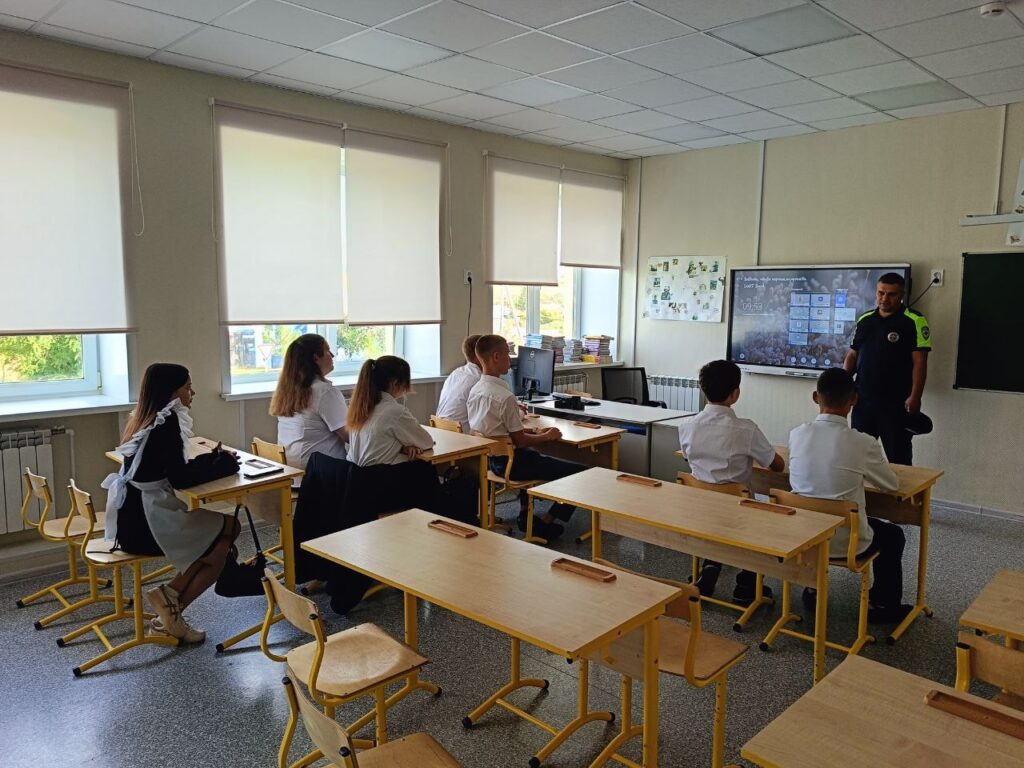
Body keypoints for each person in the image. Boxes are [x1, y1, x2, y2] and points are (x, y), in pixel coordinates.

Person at [102, 363, 241, 643]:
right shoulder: (167, 422)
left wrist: (213, 459)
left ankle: (170, 603)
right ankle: (171, 605)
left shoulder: (145, 417)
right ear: (172, 392)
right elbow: (181, 478)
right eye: (188, 387)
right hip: (149, 521)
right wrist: (225, 465)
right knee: (227, 534)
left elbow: (171, 467)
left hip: (132, 517)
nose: (193, 392)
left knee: (222, 545)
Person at [788, 368, 911, 624]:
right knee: (893, 535)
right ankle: (883, 605)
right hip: (847, 542)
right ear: (854, 399)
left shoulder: (797, 434)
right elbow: (890, 485)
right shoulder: (863, 443)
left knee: (817, 507)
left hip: (803, 537)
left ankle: (812, 587)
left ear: (815, 397)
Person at [679, 360, 784, 603]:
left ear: (703, 389)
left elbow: (687, 457)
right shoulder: (746, 430)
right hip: (739, 514)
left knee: (716, 515)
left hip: (698, 510)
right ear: (735, 394)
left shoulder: (686, 426)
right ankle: (747, 584)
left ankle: (710, 566)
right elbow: (777, 466)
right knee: (764, 516)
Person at [467, 334, 584, 541]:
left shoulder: (475, 390)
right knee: (580, 474)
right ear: (495, 357)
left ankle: (525, 513)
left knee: (534, 455)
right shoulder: (505, 397)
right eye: (507, 354)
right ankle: (545, 522)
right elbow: (520, 441)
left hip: (491, 462)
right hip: (514, 464)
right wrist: (547, 435)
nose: (511, 359)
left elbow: (497, 431)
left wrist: (531, 432)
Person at [843, 272, 931, 465]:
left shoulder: (915, 320)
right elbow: (852, 355)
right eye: (881, 293)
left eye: (891, 294)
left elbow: (920, 362)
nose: (884, 298)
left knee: (899, 460)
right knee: (858, 458)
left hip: (896, 405)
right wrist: (842, 385)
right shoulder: (865, 319)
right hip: (863, 402)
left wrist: (915, 396)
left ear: (901, 295)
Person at [271, 334, 348, 469]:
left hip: (292, 470)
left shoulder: (287, 390)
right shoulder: (325, 392)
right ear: (316, 358)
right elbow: (350, 436)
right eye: (327, 351)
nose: (332, 355)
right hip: (321, 474)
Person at [346, 355, 434, 466]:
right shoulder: (395, 412)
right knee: (425, 467)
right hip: (378, 475)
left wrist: (402, 447)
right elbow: (426, 442)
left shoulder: (360, 407)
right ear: (395, 384)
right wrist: (406, 445)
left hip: (353, 473)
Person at [435, 334, 482, 434]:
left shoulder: (456, 373)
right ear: (479, 356)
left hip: (442, 433)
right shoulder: (479, 380)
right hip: (462, 437)